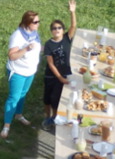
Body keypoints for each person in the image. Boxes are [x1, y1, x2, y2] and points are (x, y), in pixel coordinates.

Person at [0, 11, 42, 139]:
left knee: (23, 94)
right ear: (27, 23)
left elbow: (37, 47)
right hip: (18, 72)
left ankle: (18, 115)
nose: (38, 24)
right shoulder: (17, 36)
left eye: (39, 21)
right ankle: (6, 126)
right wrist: (26, 49)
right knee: (14, 97)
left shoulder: (34, 34)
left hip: (30, 71)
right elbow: (12, 56)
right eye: (35, 22)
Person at [41, 0, 77, 128]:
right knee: (47, 99)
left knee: (55, 99)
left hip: (63, 74)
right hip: (51, 75)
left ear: (63, 30)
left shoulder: (67, 38)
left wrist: (72, 12)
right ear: (51, 31)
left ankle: (54, 118)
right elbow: (51, 64)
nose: (56, 30)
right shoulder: (49, 44)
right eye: (54, 28)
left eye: (59, 28)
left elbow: (73, 26)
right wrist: (60, 78)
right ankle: (47, 116)